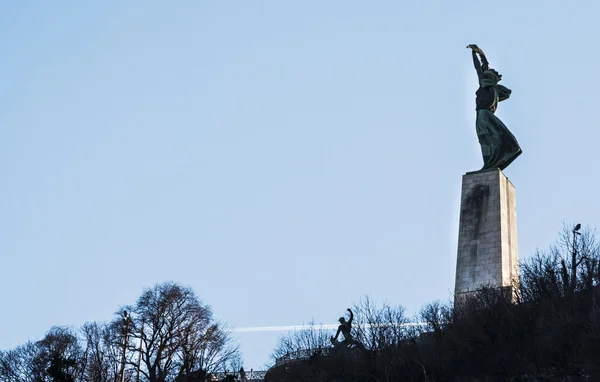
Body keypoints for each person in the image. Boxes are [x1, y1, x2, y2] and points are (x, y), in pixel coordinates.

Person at [467, 44, 522, 171]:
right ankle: (489, 164)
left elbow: (481, 68)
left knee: (499, 137)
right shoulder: (485, 84)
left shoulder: (493, 87)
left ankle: (493, 163)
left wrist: (479, 54)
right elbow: (479, 67)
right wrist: (478, 53)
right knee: (486, 140)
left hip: (486, 115)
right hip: (482, 115)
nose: (485, 71)